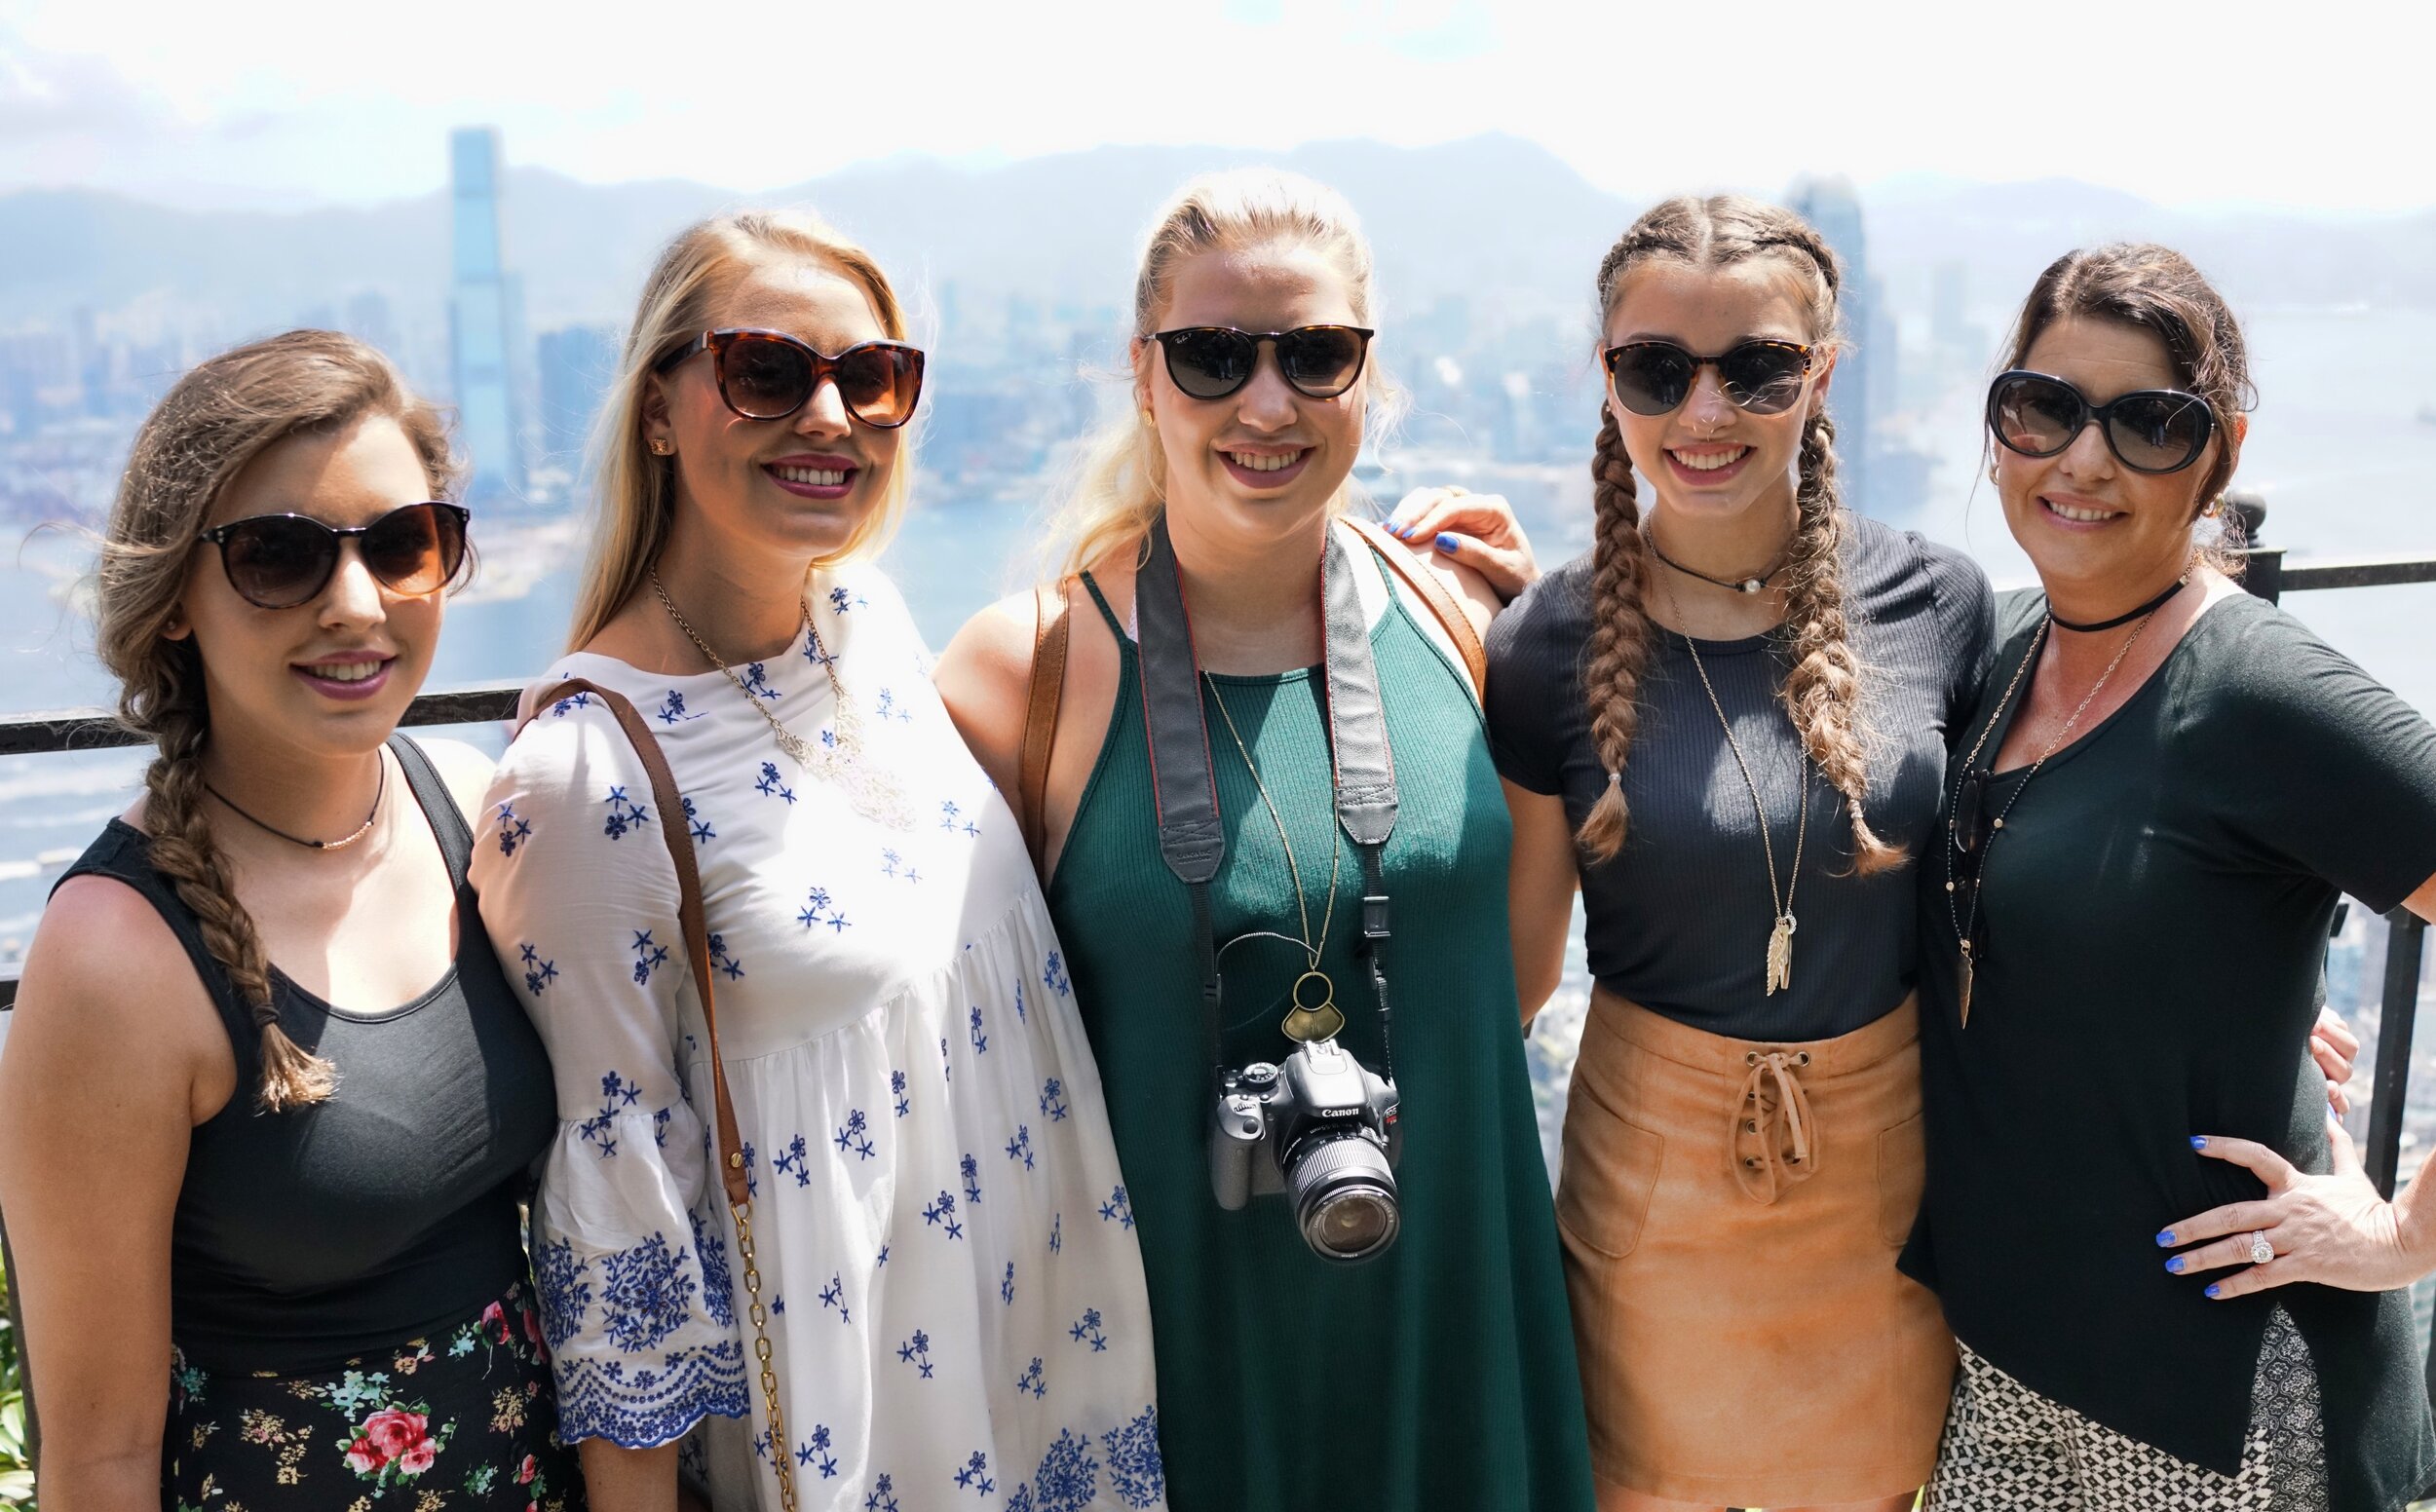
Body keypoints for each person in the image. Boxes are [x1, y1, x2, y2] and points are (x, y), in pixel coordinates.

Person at [473, 210, 1162, 1512]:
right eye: (770, 372)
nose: (834, 417)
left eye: (874, 377)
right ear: (659, 412)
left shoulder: (871, 630)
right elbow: (620, 1228)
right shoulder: (586, 780)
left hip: (1051, 1394)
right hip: (865, 1445)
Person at [936, 168, 1596, 1512]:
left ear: (1370, 374)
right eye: (1213, 355)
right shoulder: (1024, 677)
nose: (1266, 400)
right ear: (1143, 374)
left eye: (1315, 354)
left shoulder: (1472, 620)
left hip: (1448, 1312)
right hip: (1171, 1354)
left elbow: (1515, 983)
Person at [0, 330, 579, 1509]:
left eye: (403, 544)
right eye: (279, 556)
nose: (355, 604)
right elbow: (99, 1454)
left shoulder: (462, 812)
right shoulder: (117, 959)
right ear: (174, 601)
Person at [1905, 243, 2436, 1512]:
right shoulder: (2005, 651)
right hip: (2007, 1354)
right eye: (2044, 407)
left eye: (2149, 423)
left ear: (2220, 454)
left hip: (2212, 1396)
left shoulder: (2258, 690)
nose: (2083, 460)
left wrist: (2409, 1234)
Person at [1482, 195, 1983, 1512]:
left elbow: (2028, 871)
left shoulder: (1939, 602)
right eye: (1657, 368)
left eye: (1755, 367)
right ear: (1607, 377)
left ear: (1821, 373)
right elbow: (1516, 978)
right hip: (1651, 1198)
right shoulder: (1548, 642)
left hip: (1888, 1193)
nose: (1704, 414)